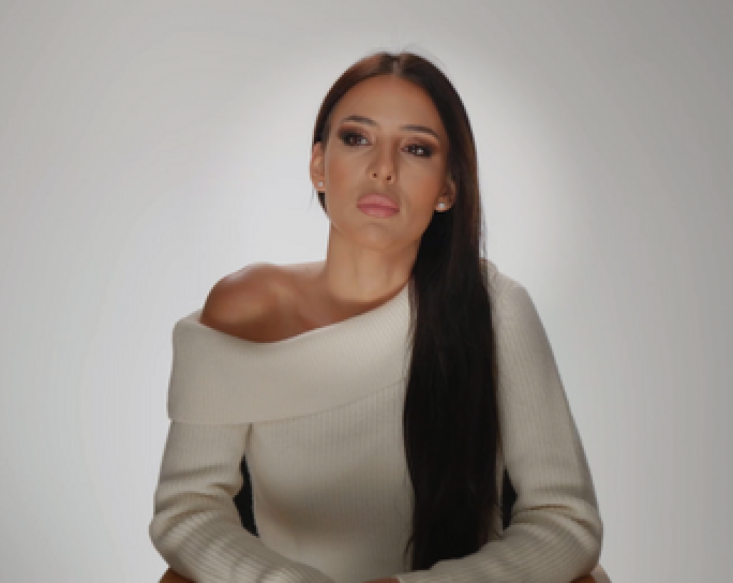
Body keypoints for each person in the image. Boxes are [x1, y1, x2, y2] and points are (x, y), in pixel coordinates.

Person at [149, 51, 604, 583]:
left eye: (416, 148)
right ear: (319, 165)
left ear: (448, 187)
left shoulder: (495, 310)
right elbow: (188, 511)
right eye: (357, 138)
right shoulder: (247, 308)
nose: (383, 168)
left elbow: (566, 522)